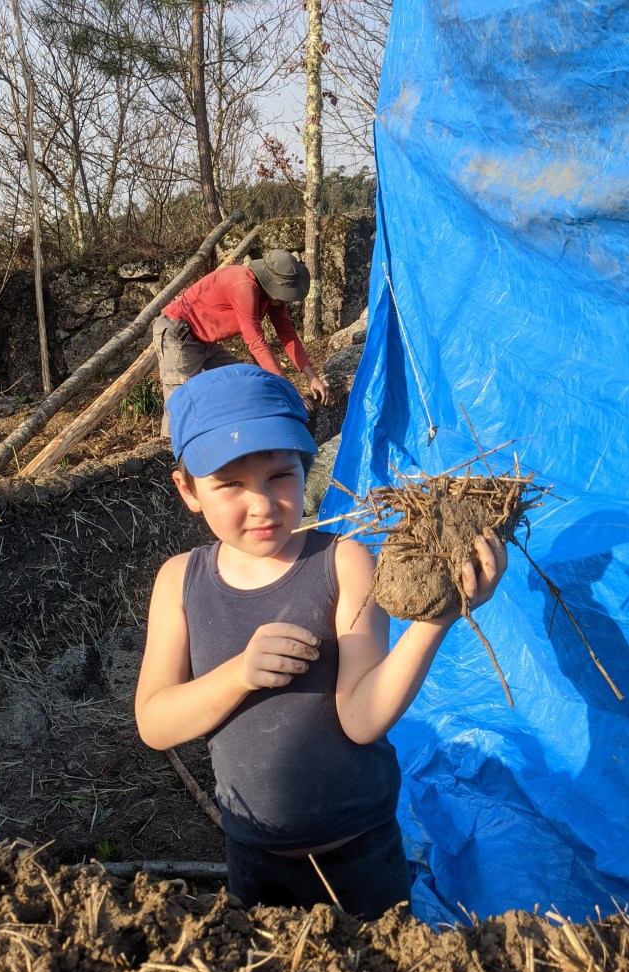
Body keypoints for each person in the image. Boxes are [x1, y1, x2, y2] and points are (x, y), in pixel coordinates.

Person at [134, 364, 507, 920]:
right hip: (253, 855)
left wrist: (440, 619)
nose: (262, 504)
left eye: (280, 476)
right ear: (188, 489)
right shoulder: (179, 582)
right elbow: (154, 722)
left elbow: (361, 718)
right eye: (231, 484)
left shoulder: (344, 561)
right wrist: (238, 673)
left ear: (304, 469)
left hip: (362, 854)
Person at [153, 249, 331, 436]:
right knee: (182, 401)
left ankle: (237, 436)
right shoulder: (244, 286)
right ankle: (170, 449)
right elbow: (255, 342)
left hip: (204, 340)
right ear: (269, 280)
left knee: (243, 382)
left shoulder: (273, 297)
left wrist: (311, 376)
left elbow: (287, 333)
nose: (282, 297)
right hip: (178, 334)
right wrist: (288, 389)